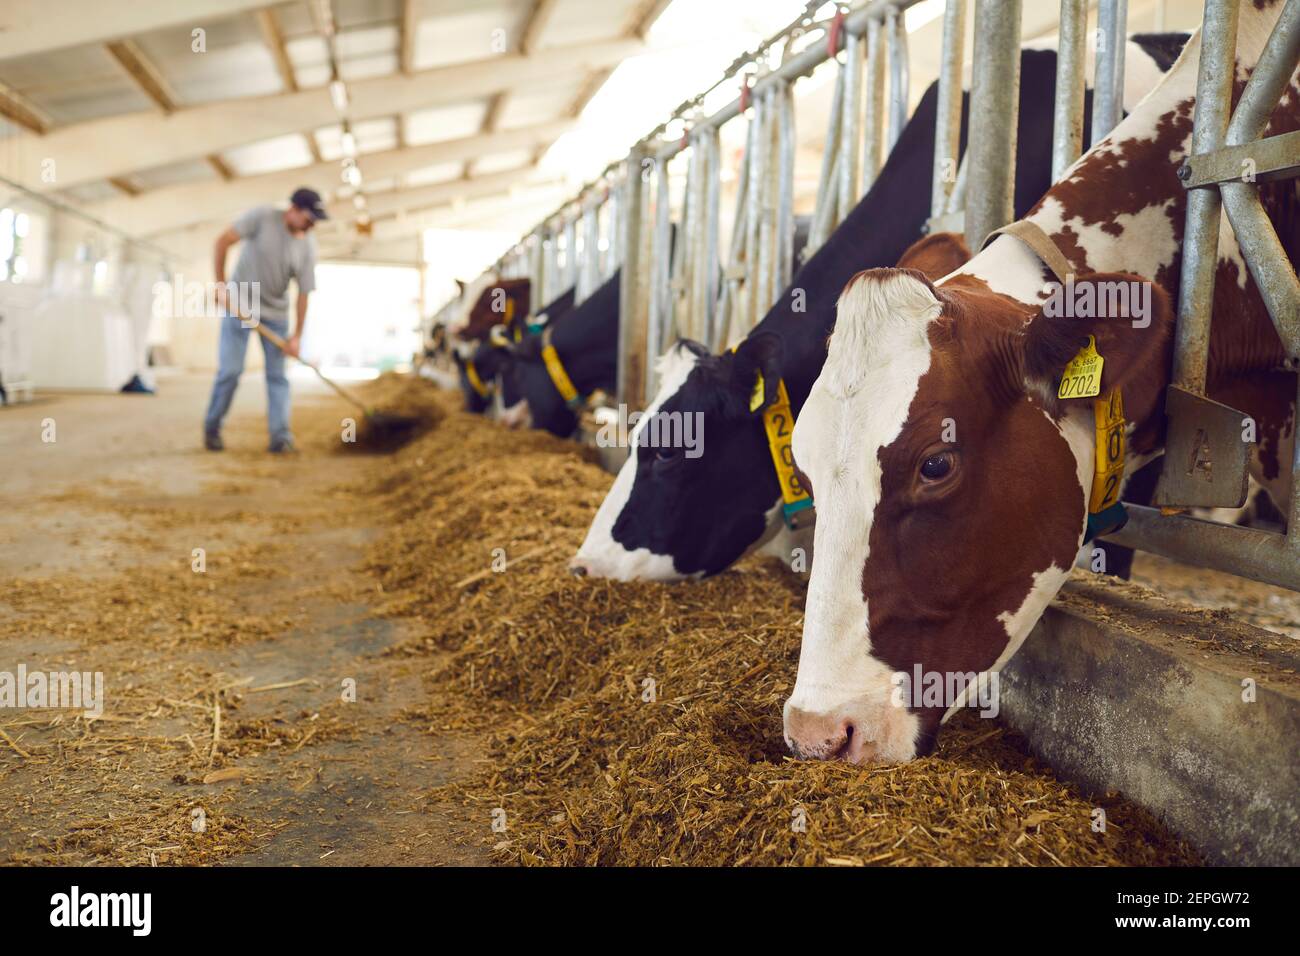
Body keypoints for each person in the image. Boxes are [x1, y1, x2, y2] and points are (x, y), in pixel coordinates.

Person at [202, 187, 325, 453]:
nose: (311, 225)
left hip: (275, 316)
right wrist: (221, 286)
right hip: (239, 306)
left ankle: (280, 437)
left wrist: (296, 336)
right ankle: (212, 428)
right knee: (231, 372)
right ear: (292, 210)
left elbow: (304, 293)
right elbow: (222, 241)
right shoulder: (262, 218)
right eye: (308, 218)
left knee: (277, 377)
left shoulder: (307, 246)